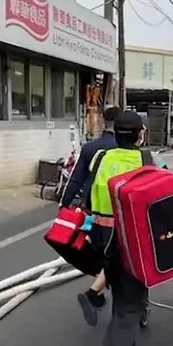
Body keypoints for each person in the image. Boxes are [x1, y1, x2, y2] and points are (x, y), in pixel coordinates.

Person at [84, 110, 154, 346]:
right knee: (129, 307)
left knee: (123, 294)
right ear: (139, 134)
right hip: (132, 242)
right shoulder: (146, 161)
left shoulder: (100, 158)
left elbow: (88, 197)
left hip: (103, 239)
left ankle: (127, 344)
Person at [60, 107, 122, 322]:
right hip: (120, 215)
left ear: (104, 122)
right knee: (120, 258)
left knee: (102, 255)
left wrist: (64, 205)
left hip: (93, 214)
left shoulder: (90, 148)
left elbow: (76, 179)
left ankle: (97, 294)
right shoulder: (127, 148)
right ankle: (98, 295)